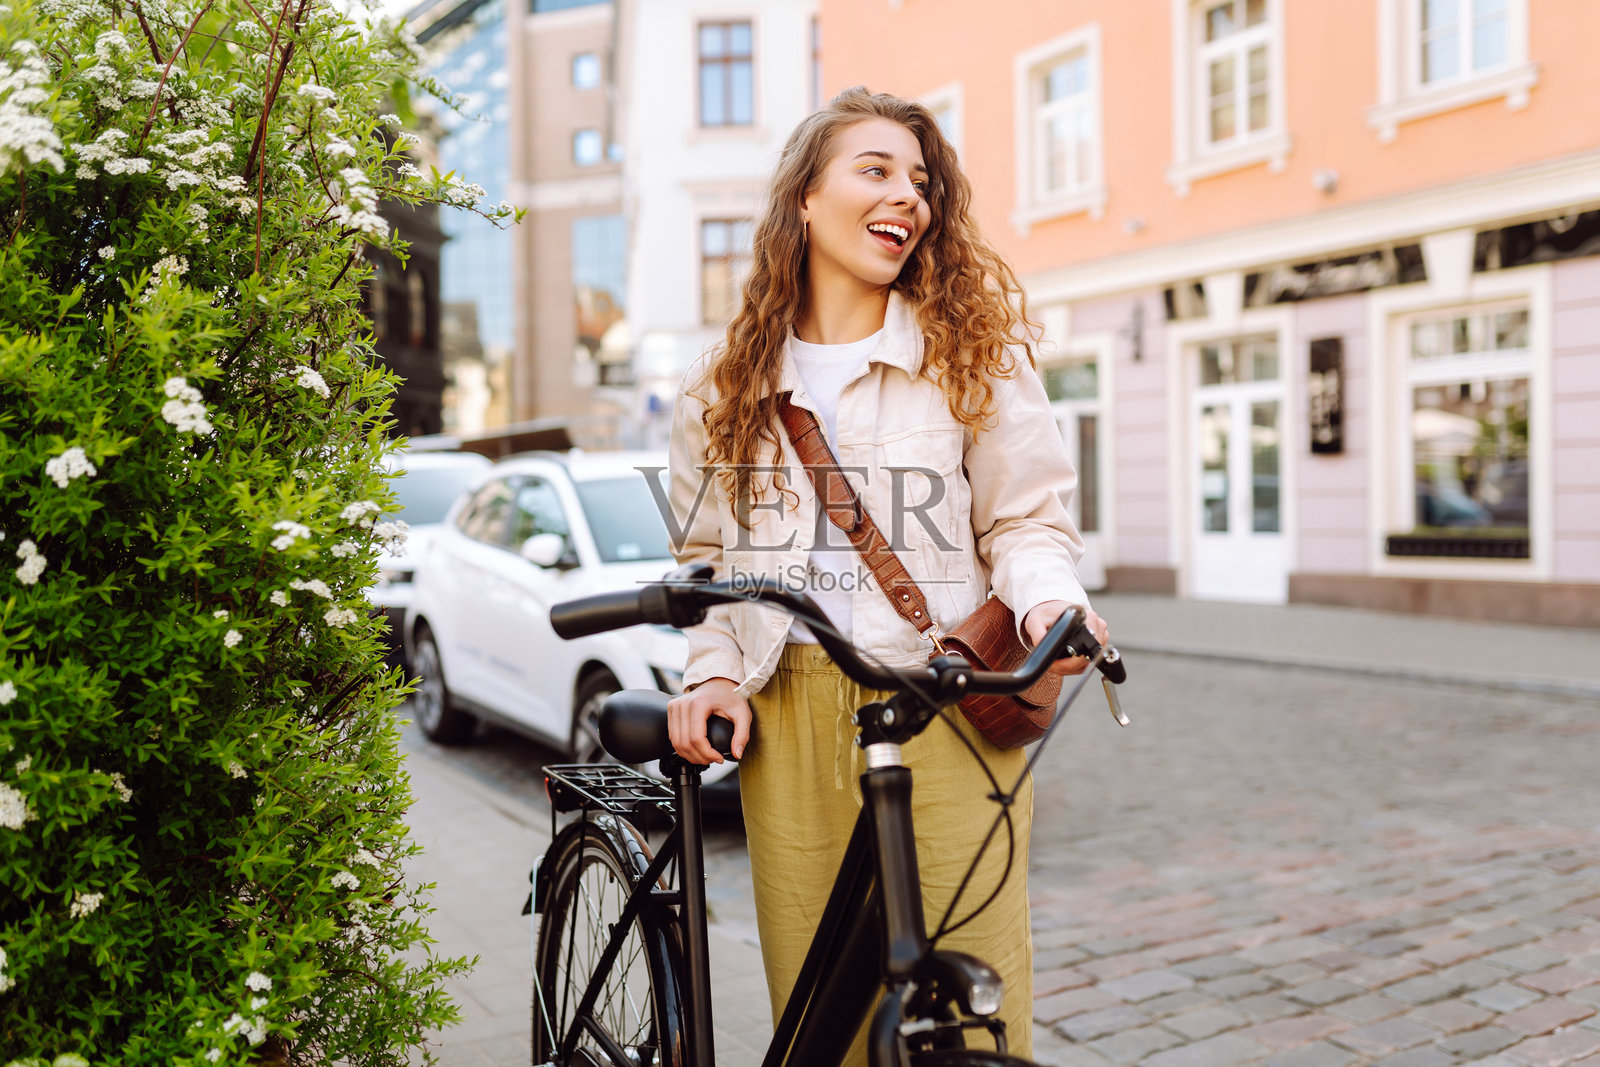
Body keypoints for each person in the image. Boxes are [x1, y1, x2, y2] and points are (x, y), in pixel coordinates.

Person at [664, 87, 1109, 1063]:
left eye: (919, 180)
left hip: (944, 699)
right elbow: (702, 567)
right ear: (805, 202)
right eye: (874, 169)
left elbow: (1028, 520)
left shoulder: (973, 355)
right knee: (822, 1009)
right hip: (789, 715)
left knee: (969, 993)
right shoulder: (720, 388)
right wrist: (710, 671)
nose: (905, 194)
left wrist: (1049, 606)